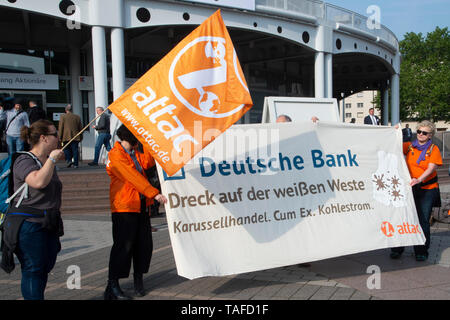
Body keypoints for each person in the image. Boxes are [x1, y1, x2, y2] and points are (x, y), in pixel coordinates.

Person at [1, 119, 64, 300]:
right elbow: (38, 181)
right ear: (44, 138)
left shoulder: (44, 161)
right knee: (33, 269)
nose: (58, 138)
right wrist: (52, 160)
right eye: (55, 134)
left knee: (45, 266)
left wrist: (50, 161)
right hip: (29, 225)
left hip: (48, 222)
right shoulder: (23, 160)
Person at [104, 124, 167, 300]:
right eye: (139, 135)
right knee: (123, 246)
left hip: (140, 206)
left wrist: (148, 140)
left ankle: (138, 279)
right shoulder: (116, 155)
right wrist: (153, 193)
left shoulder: (136, 153)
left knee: (143, 245)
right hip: (124, 207)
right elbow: (131, 176)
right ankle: (113, 285)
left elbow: (149, 160)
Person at [390, 120, 442, 261]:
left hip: (427, 189)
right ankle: (397, 248)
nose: (420, 134)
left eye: (424, 133)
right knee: (403, 217)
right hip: (410, 188)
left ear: (430, 135)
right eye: (419, 131)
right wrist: (393, 132)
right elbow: (393, 145)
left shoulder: (433, 149)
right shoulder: (411, 147)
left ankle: (421, 250)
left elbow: (431, 168)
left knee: (422, 220)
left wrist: (419, 179)